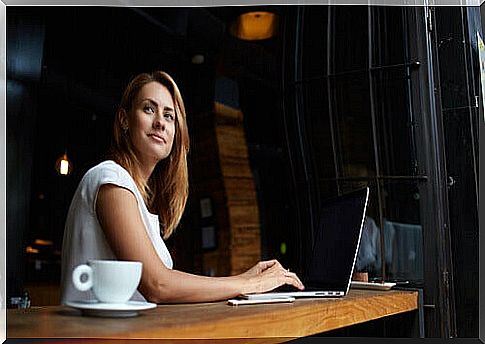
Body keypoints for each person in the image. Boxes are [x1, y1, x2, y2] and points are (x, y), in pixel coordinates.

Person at [60, 71, 304, 304]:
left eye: (169, 116)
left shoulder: (135, 197)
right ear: (125, 119)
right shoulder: (110, 178)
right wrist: (247, 283)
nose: (160, 123)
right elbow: (158, 285)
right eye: (148, 109)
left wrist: (247, 280)